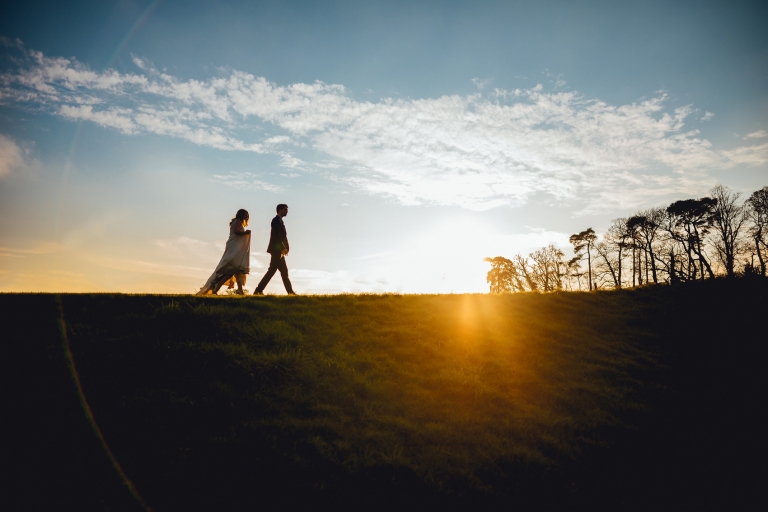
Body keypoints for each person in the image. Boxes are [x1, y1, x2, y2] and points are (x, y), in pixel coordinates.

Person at [197, 209, 251, 295]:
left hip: (235, 248)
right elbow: (236, 231)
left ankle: (239, 290)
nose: (246, 216)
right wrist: (245, 233)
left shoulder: (238, 222)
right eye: (245, 214)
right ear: (241, 215)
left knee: (237, 269)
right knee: (232, 269)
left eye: (247, 215)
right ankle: (216, 288)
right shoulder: (237, 221)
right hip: (233, 249)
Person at [253, 204, 295, 295]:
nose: (286, 211)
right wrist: (283, 248)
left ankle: (290, 292)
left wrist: (286, 248)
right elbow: (277, 236)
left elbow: (283, 237)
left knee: (283, 271)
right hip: (276, 250)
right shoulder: (275, 220)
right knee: (272, 270)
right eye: (285, 209)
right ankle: (258, 290)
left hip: (279, 251)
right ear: (279, 210)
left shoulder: (280, 222)